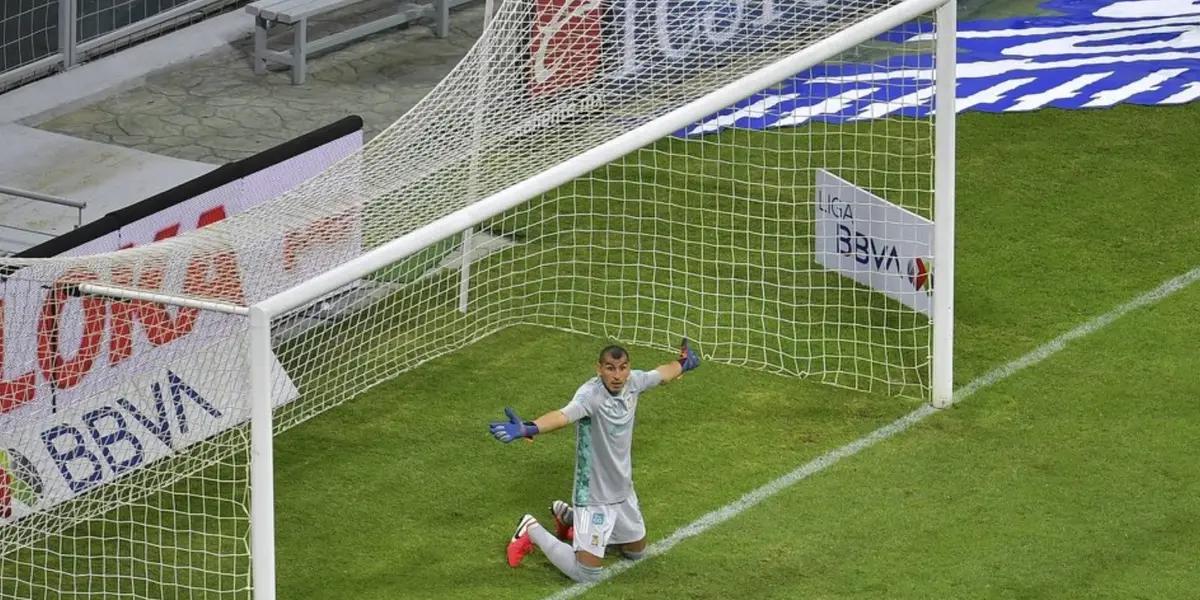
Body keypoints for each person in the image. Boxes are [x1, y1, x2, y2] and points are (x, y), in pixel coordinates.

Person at [488, 339, 701, 583]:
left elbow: (661, 374)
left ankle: (567, 517)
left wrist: (683, 363)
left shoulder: (634, 382)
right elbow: (562, 416)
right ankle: (531, 529)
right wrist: (529, 428)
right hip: (593, 495)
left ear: (629, 368)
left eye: (622, 368)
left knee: (636, 552)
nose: (617, 375)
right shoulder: (590, 396)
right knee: (586, 574)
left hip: (622, 490)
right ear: (599, 369)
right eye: (610, 368)